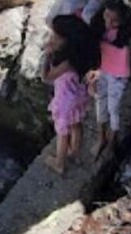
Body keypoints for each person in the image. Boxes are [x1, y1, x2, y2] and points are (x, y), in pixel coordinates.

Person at [86, 0, 131, 158]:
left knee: (113, 108)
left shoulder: (130, 28)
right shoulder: (98, 23)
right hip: (101, 71)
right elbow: (90, 49)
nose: (108, 22)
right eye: (107, 16)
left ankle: (112, 139)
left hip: (118, 74)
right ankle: (101, 137)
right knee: (99, 103)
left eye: (114, 21)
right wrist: (90, 75)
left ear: (124, 20)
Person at [41, 14, 101, 174]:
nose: (52, 38)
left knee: (62, 131)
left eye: (55, 36)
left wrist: (47, 55)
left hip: (65, 99)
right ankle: (74, 153)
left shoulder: (67, 62)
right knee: (75, 123)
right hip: (80, 96)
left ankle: (59, 164)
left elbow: (47, 77)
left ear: (66, 40)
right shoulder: (83, 53)